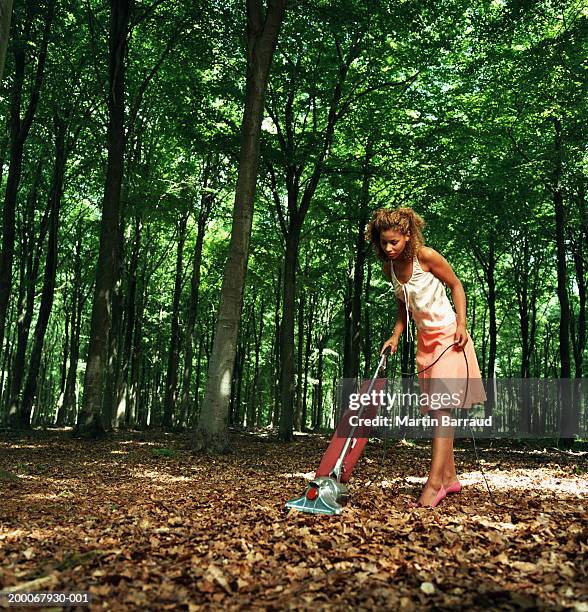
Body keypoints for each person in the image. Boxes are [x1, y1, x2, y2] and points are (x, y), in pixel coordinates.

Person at [364, 206, 486, 508]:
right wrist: (395, 334)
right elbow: (404, 307)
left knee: (442, 409)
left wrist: (462, 323)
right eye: (384, 243)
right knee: (436, 411)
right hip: (425, 342)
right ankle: (450, 477)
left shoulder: (426, 257)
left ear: (407, 235)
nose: (389, 248)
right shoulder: (389, 269)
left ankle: (434, 485)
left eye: (395, 241)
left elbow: (457, 285)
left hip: (448, 336)